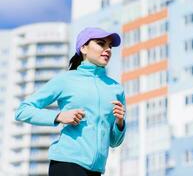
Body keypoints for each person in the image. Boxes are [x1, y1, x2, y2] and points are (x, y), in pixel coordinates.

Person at [15, 27, 127, 176]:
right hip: (67, 163)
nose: (107, 49)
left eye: (110, 46)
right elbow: (23, 110)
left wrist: (120, 123)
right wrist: (59, 116)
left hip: (96, 170)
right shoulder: (66, 80)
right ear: (83, 48)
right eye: (101, 44)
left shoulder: (115, 88)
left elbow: (114, 142)